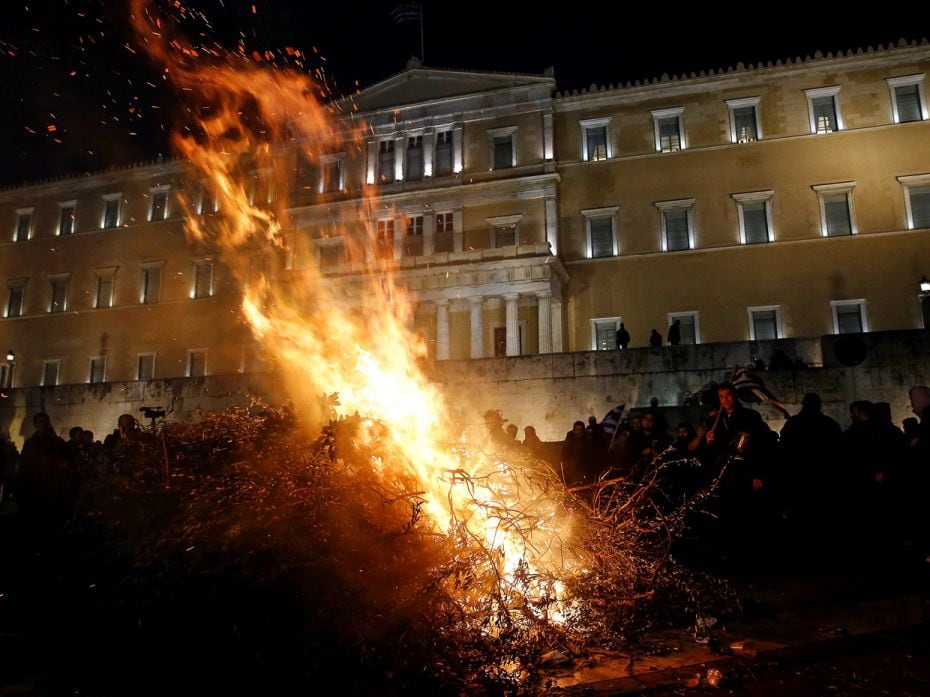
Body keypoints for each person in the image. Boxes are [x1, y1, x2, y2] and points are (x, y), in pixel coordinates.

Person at [15, 412, 68, 523]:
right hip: (34, 484)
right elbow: (24, 463)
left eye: (46, 422)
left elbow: (66, 455)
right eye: (40, 422)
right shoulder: (30, 443)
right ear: (36, 424)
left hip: (51, 484)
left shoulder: (56, 441)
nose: (43, 424)